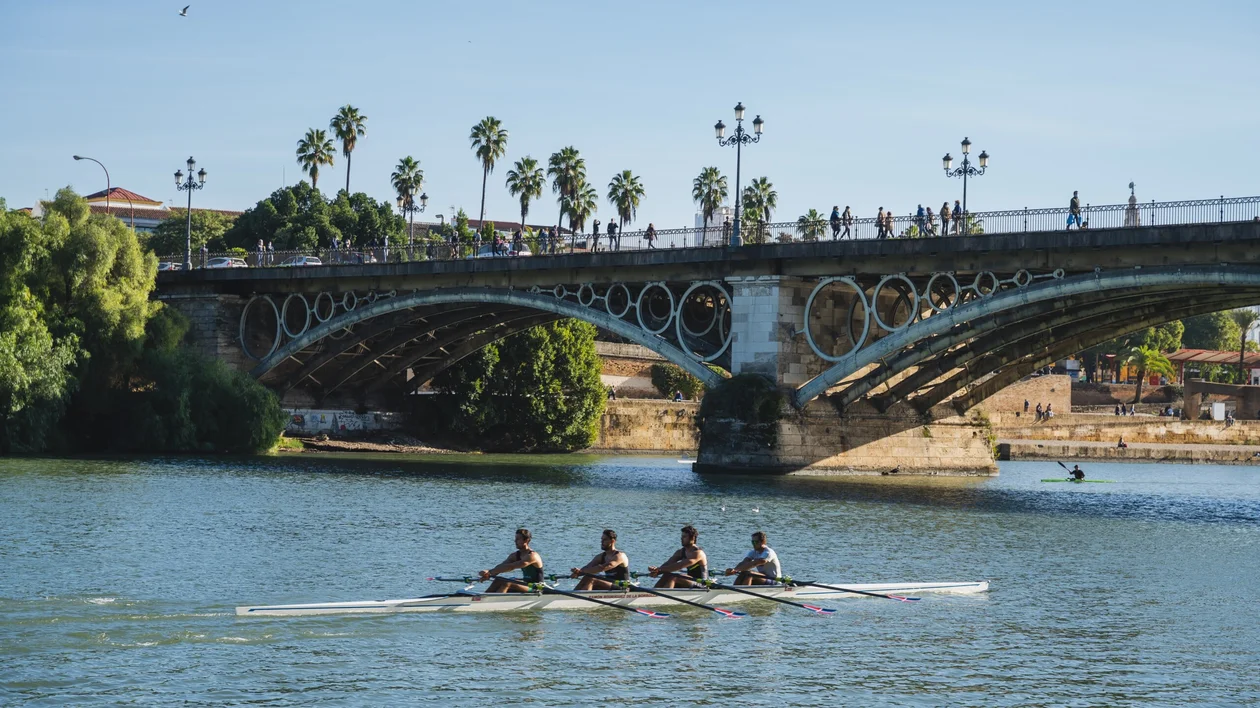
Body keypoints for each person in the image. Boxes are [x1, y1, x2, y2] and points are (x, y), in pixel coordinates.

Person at [479, 528, 544, 593]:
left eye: (518, 539)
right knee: (498, 580)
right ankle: (483, 599)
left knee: (507, 583)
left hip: (537, 587)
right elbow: (502, 566)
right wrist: (487, 574)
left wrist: (490, 572)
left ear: (526, 540)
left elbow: (511, 567)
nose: (515, 541)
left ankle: (494, 602)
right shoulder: (515, 555)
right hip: (526, 584)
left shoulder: (532, 556)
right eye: (515, 539)